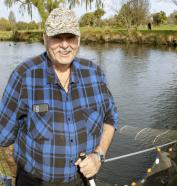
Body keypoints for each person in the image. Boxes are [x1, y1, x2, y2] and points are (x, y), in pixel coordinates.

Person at [0, 8, 118, 186]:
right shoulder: (24, 76)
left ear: (78, 39)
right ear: (45, 38)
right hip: (34, 182)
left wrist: (98, 155)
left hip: (82, 181)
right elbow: (4, 137)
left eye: (70, 37)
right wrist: (14, 174)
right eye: (57, 37)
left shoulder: (94, 74)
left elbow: (111, 117)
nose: (64, 45)